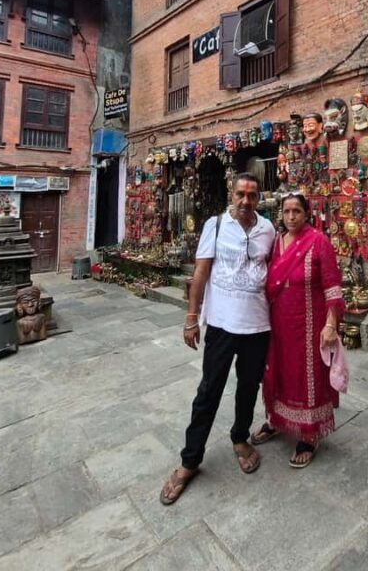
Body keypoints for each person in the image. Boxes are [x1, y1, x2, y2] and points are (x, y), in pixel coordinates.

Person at [159, 173, 276, 506]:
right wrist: (191, 318)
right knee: (208, 390)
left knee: (248, 386)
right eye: (240, 194)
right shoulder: (215, 225)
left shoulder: (268, 230)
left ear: (258, 197)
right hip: (223, 325)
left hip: (257, 326)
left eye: (252, 195)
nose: (245, 201)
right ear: (231, 194)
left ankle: (240, 438)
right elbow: (200, 273)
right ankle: (189, 461)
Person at [251, 193, 345, 469]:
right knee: (277, 371)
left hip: (308, 325)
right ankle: (277, 420)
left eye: (297, 212)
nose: (291, 217)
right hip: (277, 323)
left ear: (307, 214)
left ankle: (309, 434)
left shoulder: (319, 242)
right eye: (286, 212)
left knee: (306, 376)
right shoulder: (275, 244)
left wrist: (331, 325)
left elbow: (333, 288)